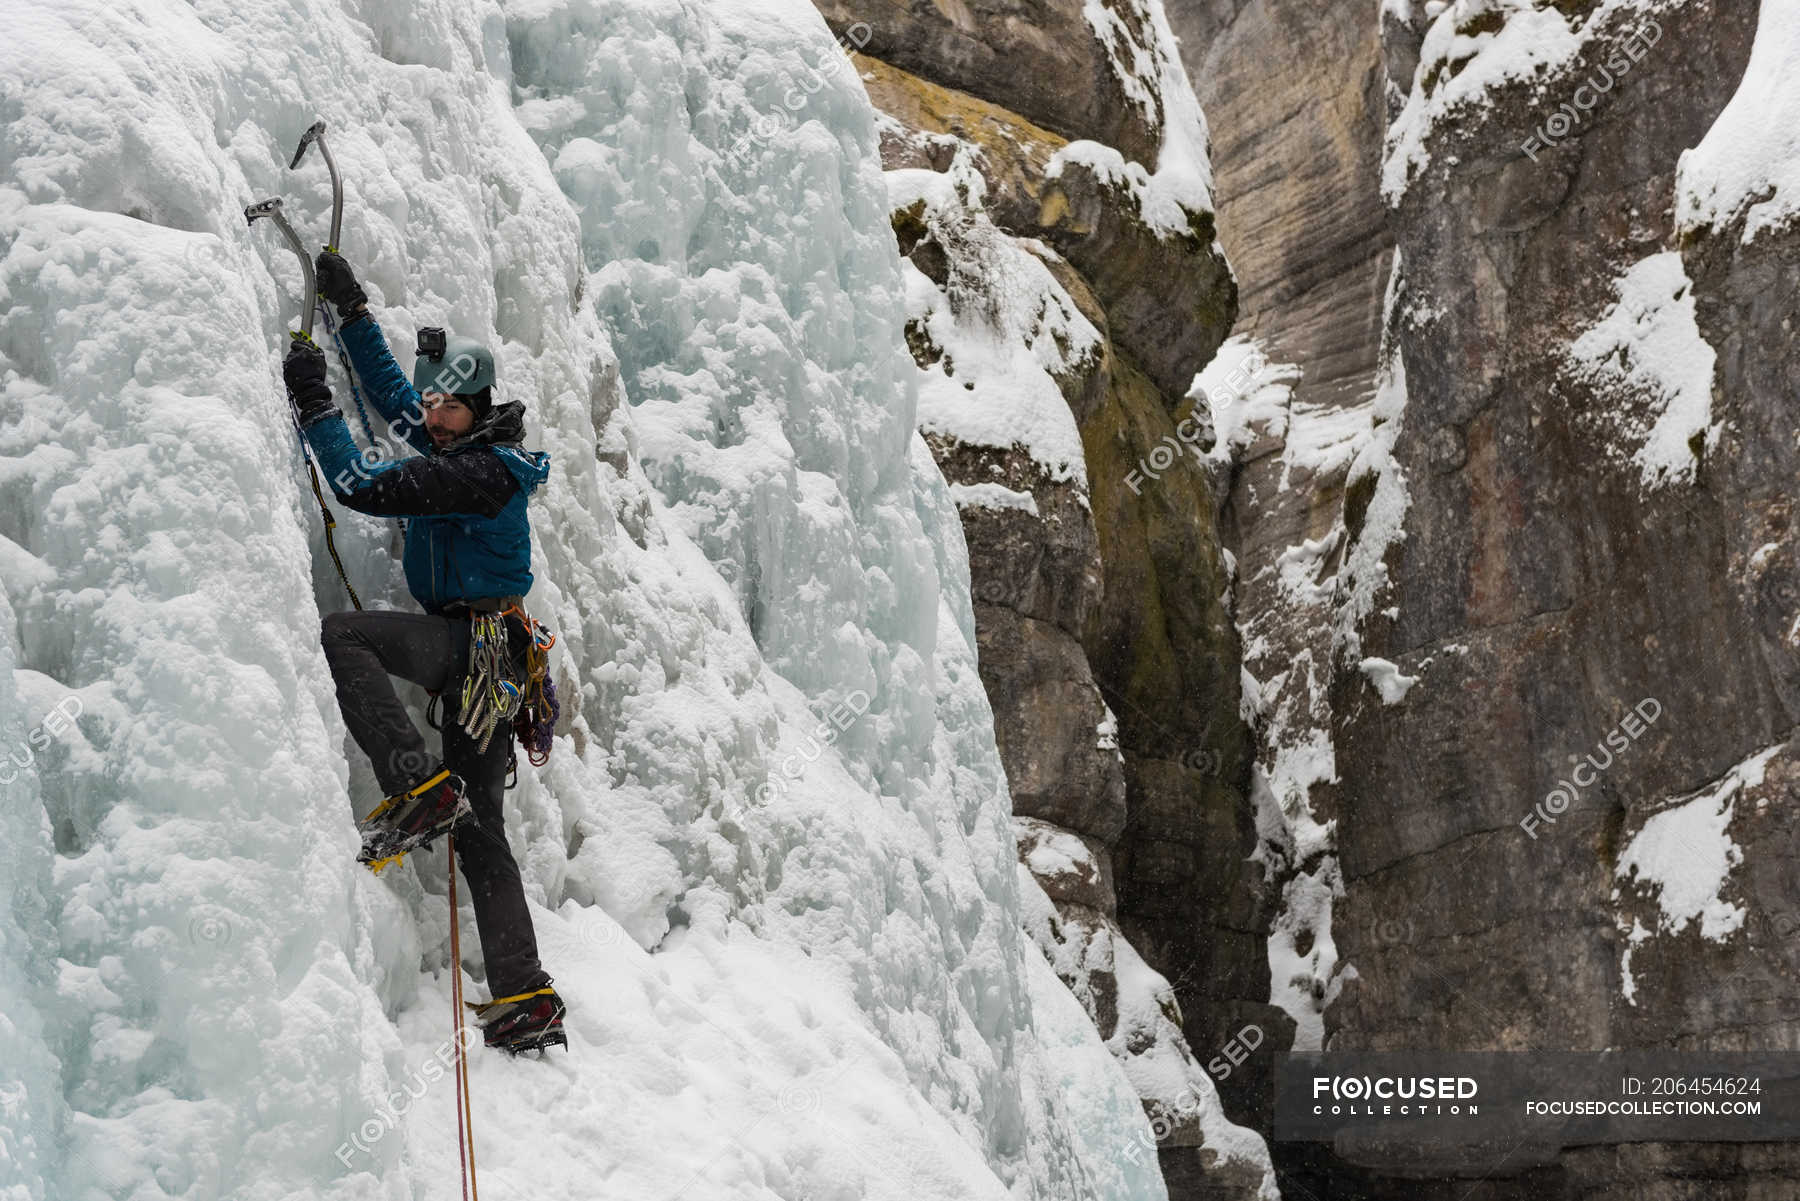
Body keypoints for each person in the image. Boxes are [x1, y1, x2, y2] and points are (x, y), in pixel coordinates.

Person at [281, 251, 564, 1054]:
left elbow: (360, 485)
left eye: (448, 408)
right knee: (484, 833)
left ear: (479, 410)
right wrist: (352, 308)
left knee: (346, 635)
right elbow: (396, 398)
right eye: (434, 408)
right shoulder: (459, 444)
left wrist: (310, 400)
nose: (432, 419)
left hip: (473, 650)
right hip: (493, 660)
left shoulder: (478, 473)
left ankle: (415, 786)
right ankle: (525, 993)